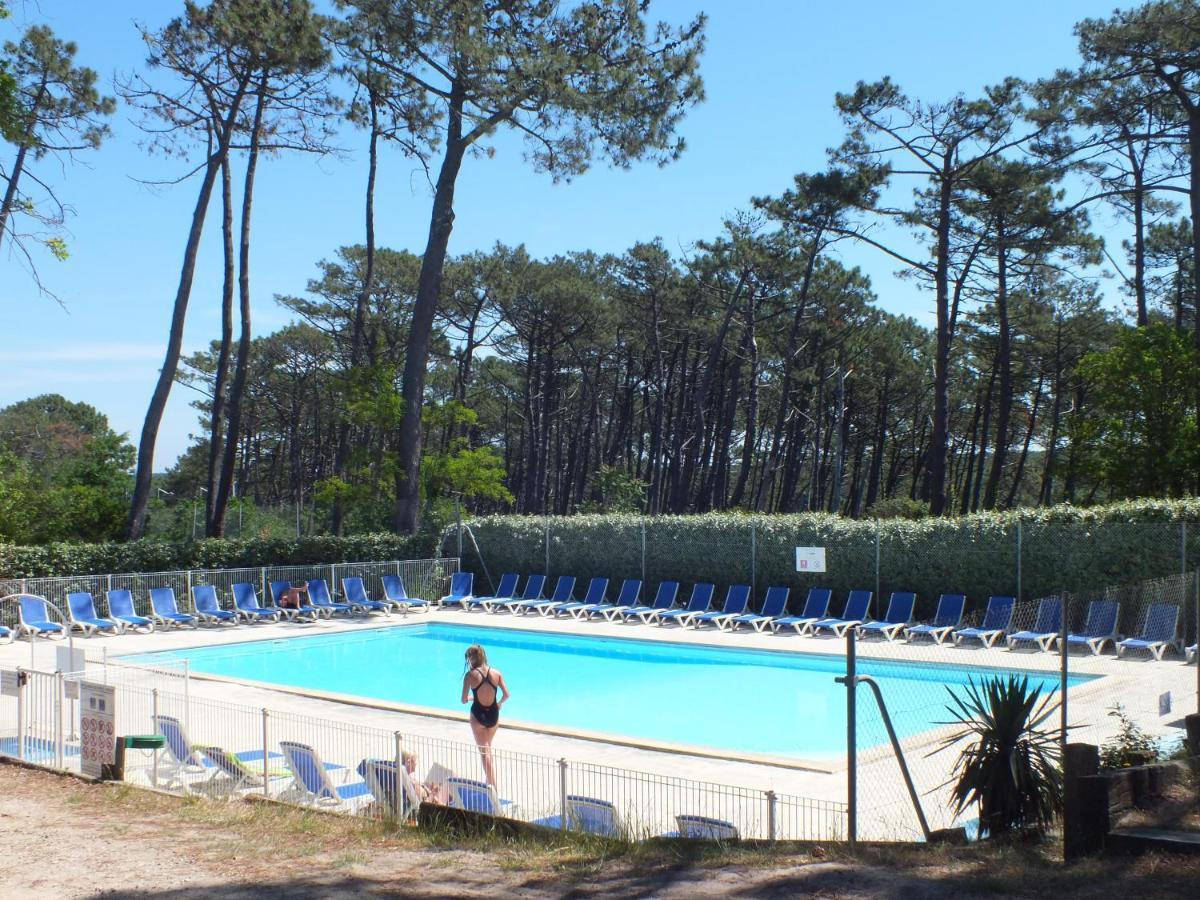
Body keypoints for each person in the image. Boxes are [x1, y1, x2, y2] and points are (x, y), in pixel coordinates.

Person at [461, 643, 510, 788]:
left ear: (472, 658)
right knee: (488, 748)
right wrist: (499, 703)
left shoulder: (470, 676)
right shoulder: (496, 673)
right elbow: (507, 694)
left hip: (478, 715)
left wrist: (471, 697)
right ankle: (490, 780)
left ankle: (492, 786)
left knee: (484, 752)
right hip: (493, 715)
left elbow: (463, 699)